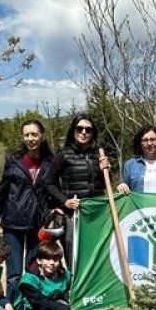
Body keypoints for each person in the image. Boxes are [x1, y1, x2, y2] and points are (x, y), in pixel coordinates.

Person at [0, 119, 52, 298]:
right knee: (14, 272)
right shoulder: (13, 161)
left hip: (37, 222)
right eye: (27, 135)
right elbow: (2, 190)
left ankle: (30, 306)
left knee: (33, 268)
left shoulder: (49, 162)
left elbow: (53, 189)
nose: (30, 138)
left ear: (42, 136)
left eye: (34, 134)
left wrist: (54, 210)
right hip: (13, 222)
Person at [42, 114, 110, 268]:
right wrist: (65, 201)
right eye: (79, 129)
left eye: (88, 129)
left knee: (96, 256)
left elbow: (106, 184)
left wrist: (105, 170)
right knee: (75, 257)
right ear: (73, 131)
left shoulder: (98, 155)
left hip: (96, 214)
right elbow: (48, 183)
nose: (84, 132)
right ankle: (75, 291)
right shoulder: (63, 155)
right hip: (74, 215)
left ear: (93, 133)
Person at [16, 239, 77, 310]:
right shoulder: (29, 279)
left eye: (56, 259)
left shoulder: (64, 274)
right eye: (48, 259)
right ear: (39, 260)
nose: (52, 263)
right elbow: (40, 303)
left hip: (56, 305)